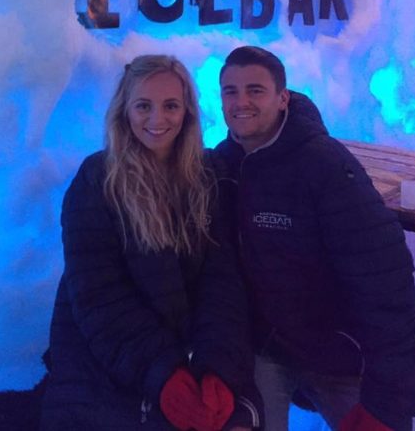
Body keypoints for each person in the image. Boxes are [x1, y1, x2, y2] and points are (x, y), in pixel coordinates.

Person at [40, 54, 263, 431]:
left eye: (171, 106)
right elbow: (98, 295)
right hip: (109, 355)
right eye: (143, 106)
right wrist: (164, 374)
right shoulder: (97, 180)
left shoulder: (207, 175)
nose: (158, 120)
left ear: (188, 112)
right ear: (124, 111)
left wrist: (216, 368)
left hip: (187, 345)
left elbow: (222, 281)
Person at [211, 45, 415, 431]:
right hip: (268, 348)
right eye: (231, 91)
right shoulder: (226, 164)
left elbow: (384, 279)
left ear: (282, 98)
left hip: (339, 352)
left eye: (255, 90)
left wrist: (389, 399)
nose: (241, 101)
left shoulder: (324, 165)